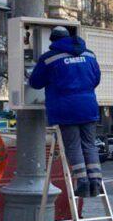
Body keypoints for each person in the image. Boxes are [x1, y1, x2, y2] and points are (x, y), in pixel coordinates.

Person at [28, 26, 103, 197]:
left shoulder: (49, 58)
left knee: (73, 145)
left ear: (53, 40)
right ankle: (96, 181)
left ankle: (82, 181)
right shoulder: (89, 54)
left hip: (65, 108)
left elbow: (35, 82)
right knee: (90, 145)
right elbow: (96, 79)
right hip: (88, 106)